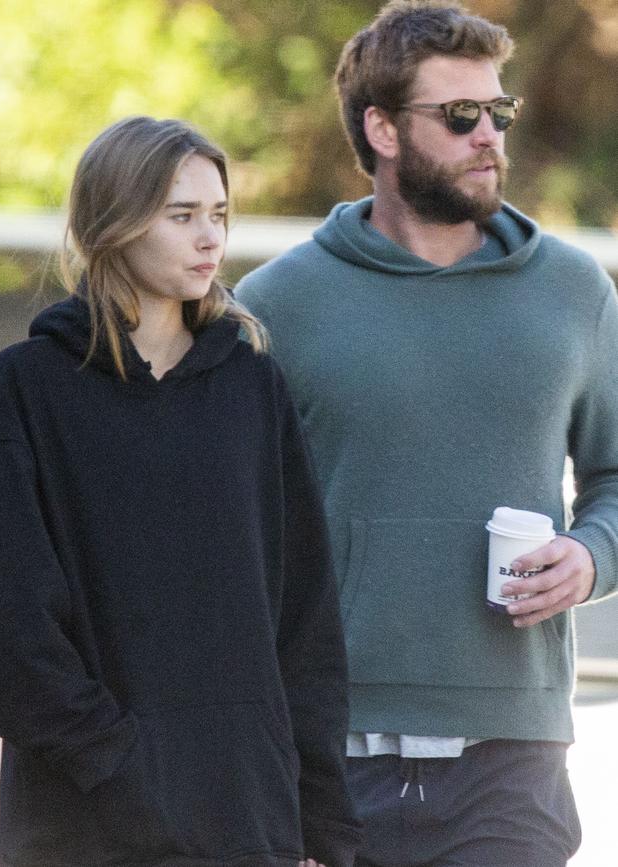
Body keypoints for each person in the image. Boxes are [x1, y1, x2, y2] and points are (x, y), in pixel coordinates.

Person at [236, 2, 618, 865]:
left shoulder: (574, 293)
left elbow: (615, 478)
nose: (489, 136)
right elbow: (228, 526)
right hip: (329, 751)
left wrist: (591, 557)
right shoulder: (273, 306)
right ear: (381, 128)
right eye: (459, 116)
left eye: (499, 113)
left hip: (511, 760)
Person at [0, 116, 362, 867]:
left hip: (248, 825)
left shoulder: (252, 385)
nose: (209, 238)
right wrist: (120, 768)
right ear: (112, 222)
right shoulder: (31, 388)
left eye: (217, 215)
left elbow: (304, 619)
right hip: (82, 830)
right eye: (182, 216)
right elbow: (7, 626)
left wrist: (320, 819)